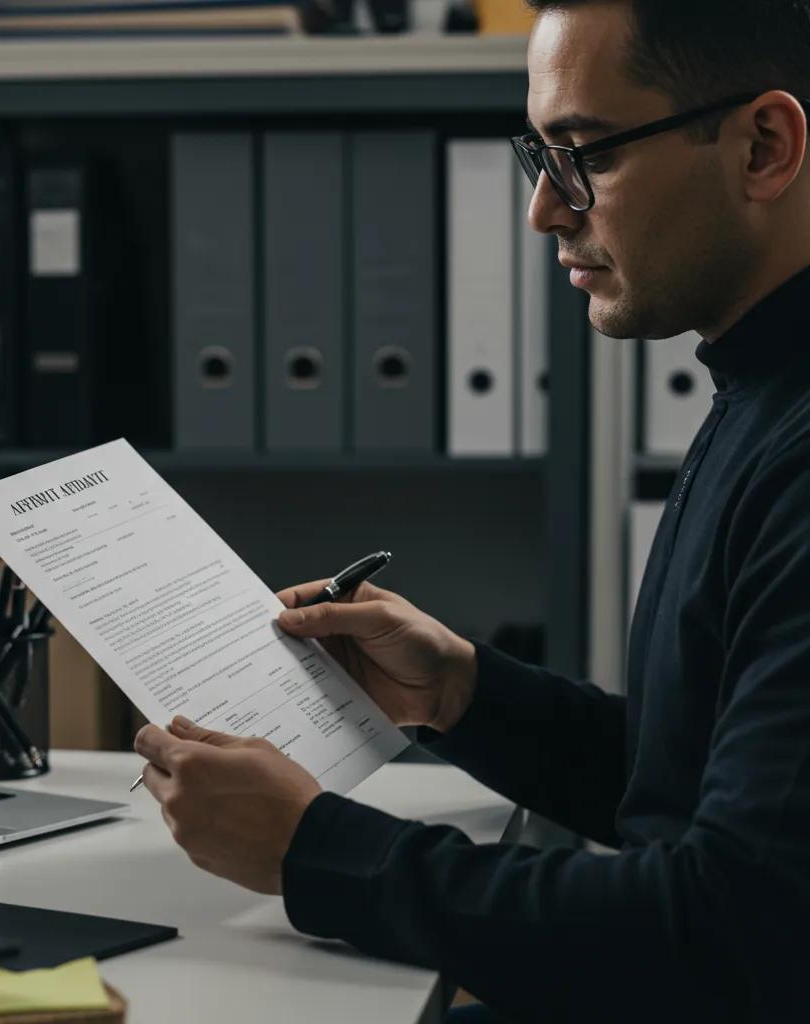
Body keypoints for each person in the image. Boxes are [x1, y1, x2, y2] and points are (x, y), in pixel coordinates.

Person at [132, 1, 810, 1019]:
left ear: (762, 146)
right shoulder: (761, 387)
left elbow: (727, 930)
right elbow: (711, 783)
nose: (544, 209)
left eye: (583, 154)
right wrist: (460, 694)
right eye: (535, 156)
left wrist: (316, 850)